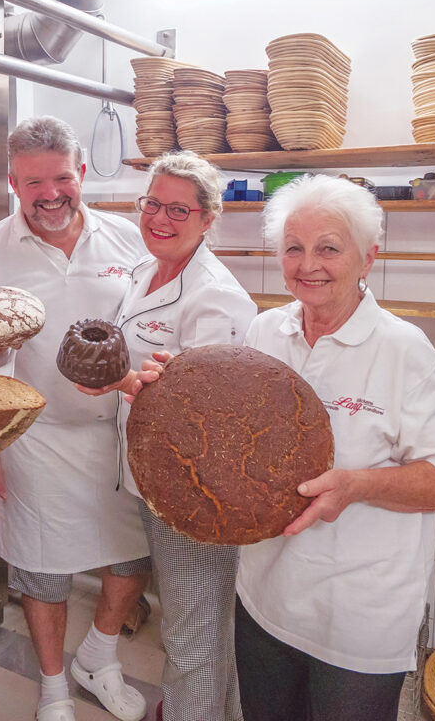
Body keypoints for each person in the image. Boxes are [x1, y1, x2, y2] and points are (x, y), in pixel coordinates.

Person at [232, 174, 435, 721]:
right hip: (265, 596)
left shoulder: (402, 349)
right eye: (294, 248)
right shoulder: (265, 333)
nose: (308, 263)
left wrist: (358, 485)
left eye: (329, 249)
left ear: (368, 258)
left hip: (358, 621)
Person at [76, 151, 256, 721]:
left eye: (179, 209)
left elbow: (204, 412)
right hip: (150, 478)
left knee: (193, 637)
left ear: (208, 219)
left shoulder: (216, 298)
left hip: (193, 493)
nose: (160, 218)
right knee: (192, 627)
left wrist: (120, 381)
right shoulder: (144, 269)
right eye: (152, 203)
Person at [0, 116, 152, 721]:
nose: (50, 193)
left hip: (118, 433)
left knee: (131, 557)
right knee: (41, 571)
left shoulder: (128, 239)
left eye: (62, 177)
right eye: (34, 182)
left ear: (81, 173)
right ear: (13, 182)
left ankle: (100, 657)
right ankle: (53, 685)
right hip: (36, 438)